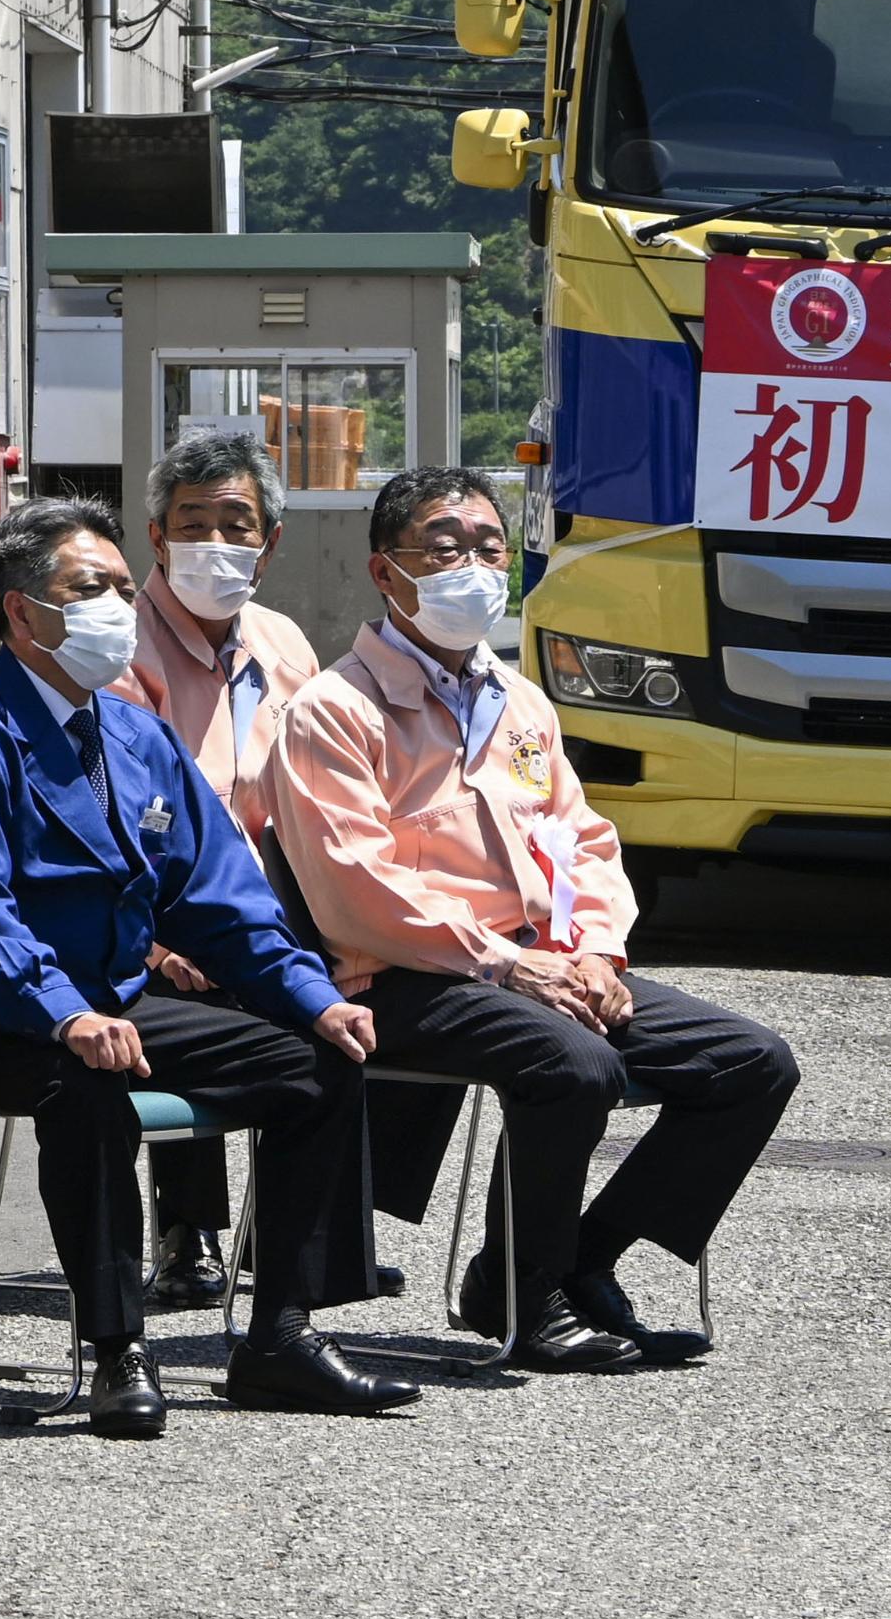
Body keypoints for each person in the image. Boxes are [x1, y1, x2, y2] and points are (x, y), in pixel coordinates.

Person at [0, 496, 416, 1438]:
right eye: (91, 589)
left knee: (317, 1063)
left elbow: (221, 898)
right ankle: (117, 1346)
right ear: (22, 613)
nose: (119, 609)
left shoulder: (134, 735)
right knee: (83, 1087)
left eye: (125, 590)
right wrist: (64, 1013)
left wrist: (310, 997)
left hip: (112, 998)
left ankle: (282, 1335)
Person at [258, 468, 801, 1372]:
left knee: (751, 1062)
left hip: (536, 966)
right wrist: (506, 965)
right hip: (401, 976)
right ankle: (528, 1291)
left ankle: (580, 1259)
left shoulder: (518, 701)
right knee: (574, 1065)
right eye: (444, 549)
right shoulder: (334, 710)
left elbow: (582, 840)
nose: (472, 568)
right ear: (386, 572)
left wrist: (597, 951)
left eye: (488, 548)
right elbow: (356, 889)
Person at [116, 429, 325, 1312]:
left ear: (268, 543)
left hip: (274, 896)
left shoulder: (282, 643)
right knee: (198, 979)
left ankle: (313, 1236)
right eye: (191, 523)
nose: (213, 543)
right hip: (159, 906)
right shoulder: (120, 644)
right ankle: (188, 1231)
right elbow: (114, 815)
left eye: (235, 524)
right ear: (156, 537)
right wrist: (164, 940)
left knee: (369, 993)